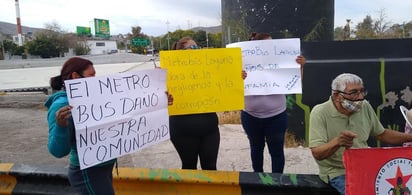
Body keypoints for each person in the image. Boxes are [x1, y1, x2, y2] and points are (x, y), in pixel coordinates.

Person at [308, 73, 412, 194]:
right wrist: (338, 142)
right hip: (339, 171)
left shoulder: (364, 106)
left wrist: (410, 137)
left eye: (362, 91)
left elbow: (381, 134)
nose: (360, 97)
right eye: (354, 93)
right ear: (337, 96)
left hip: (364, 165)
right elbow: (317, 153)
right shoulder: (320, 112)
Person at [45, 57, 117, 195]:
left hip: (103, 168)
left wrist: (159, 101)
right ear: (75, 76)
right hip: (88, 172)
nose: (96, 79)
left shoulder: (95, 99)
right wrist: (61, 126)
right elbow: (57, 151)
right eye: (91, 75)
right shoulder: (61, 106)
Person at [241, 32, 305, 173]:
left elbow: (293, 82)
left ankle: (277, 182)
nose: (272, 45)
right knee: (256, 148)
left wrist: (300, 66)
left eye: (272, 42)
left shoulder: (279, 59)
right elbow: (231, 87)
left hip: (276, 116)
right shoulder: (243, 61)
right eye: (267, 43)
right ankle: (258, 179)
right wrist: (238, 77)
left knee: (276, 151)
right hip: (251, 116)